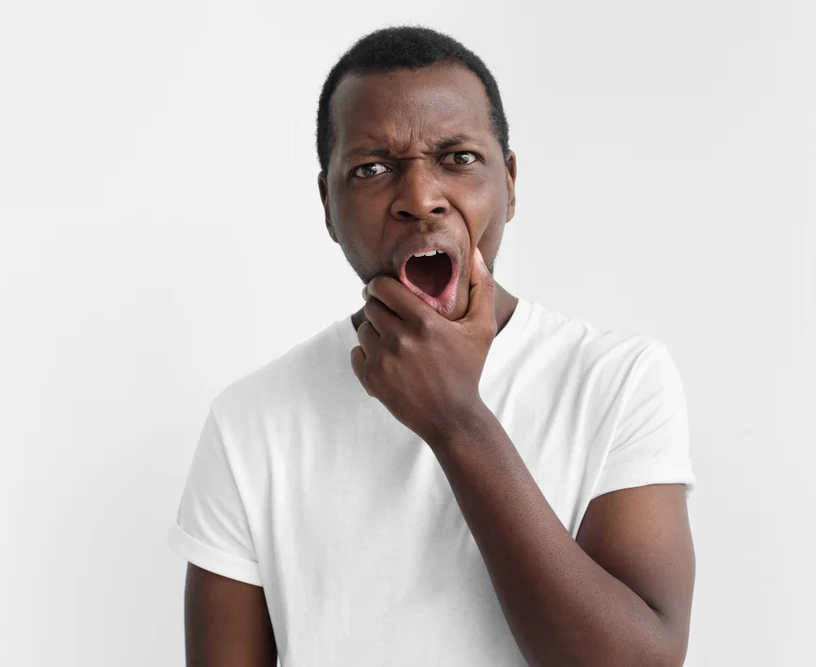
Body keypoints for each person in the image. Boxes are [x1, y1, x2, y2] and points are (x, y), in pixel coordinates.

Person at [166, 25, 697, 667]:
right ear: (328, 207)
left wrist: (455, 419)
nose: (420, 199)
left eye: (458, 158)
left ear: (509, 181)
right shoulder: (249, 422)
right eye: (372, 168)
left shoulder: (619, 382)